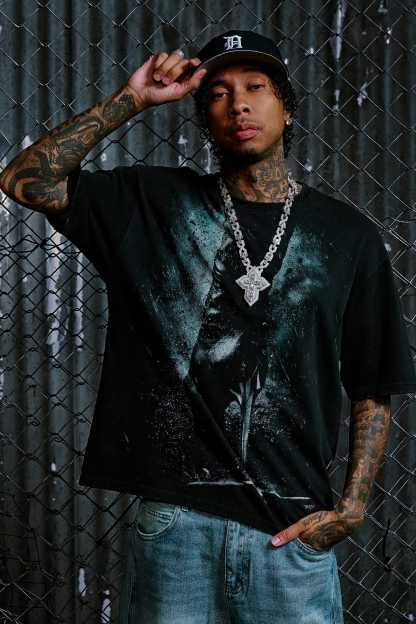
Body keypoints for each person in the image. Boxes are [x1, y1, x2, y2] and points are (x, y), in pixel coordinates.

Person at [1, 28, 416, 624]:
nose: (238, 104)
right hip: (178, 527)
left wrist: (352, 507)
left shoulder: (348, 235)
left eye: (256, 87)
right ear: (204, 119)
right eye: (218, 94)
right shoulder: (154, 204)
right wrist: (133, 98)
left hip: (291, 529)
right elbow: (25, 181)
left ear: (287, 107)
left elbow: (374, 381)